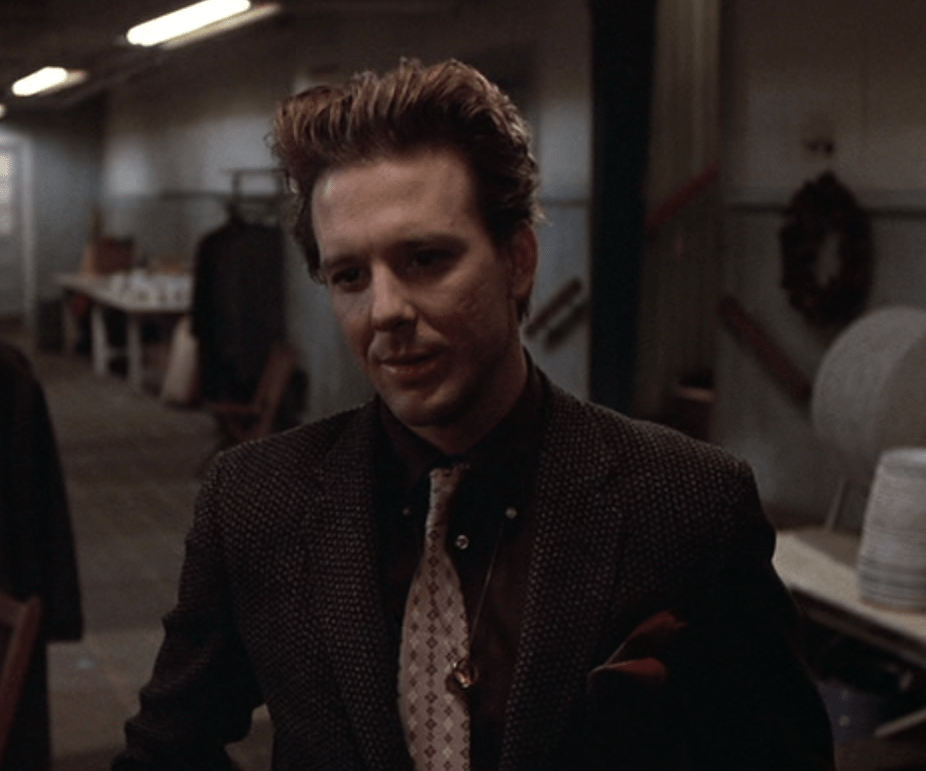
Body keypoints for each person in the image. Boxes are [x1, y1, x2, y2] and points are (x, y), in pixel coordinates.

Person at [113, 59, 834, 770]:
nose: (385, 311)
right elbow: (164, 751)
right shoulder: (254, 501)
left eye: (426, 259)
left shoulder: (688, 503)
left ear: (518, 259)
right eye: (350, 276)